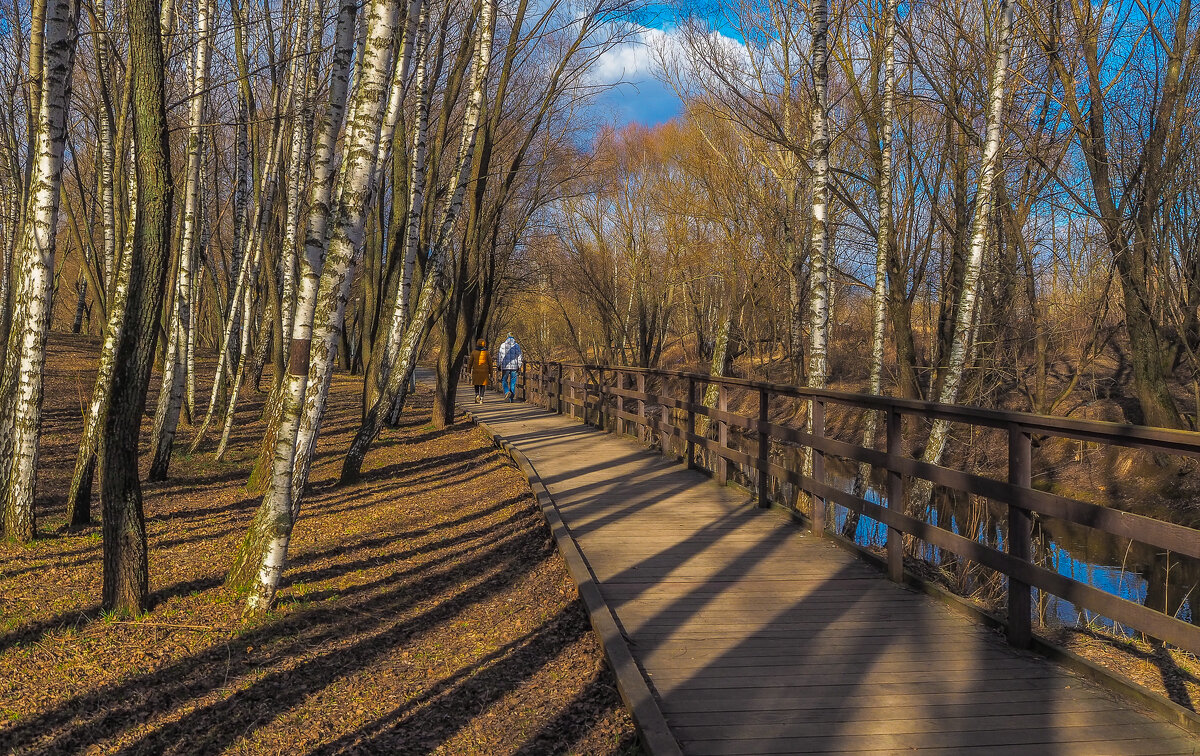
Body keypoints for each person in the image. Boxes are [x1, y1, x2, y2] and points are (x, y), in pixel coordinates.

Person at [497, 333, 523, 402]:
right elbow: (520, 356)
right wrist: (519, 365)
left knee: (504, 380)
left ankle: (506, 391)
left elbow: (500, 356)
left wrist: (499, 365)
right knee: (513, 382)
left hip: (505, 367)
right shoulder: (517, 346)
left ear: (507, 337)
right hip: (514, 367)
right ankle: (511, 399)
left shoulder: (502, 345)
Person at [470, 338, 491, 404]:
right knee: (482, 385)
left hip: (476, 370)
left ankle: (477, 395)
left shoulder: (473, 352)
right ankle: (481, 398)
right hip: (484, 371)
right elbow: (490, 362)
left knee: (476, 383)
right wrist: (491, 372)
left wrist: (468, 369)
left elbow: (470, 362)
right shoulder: (486, 353)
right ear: (484, 344)